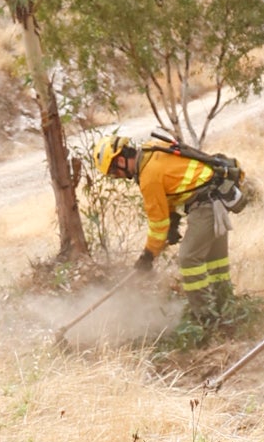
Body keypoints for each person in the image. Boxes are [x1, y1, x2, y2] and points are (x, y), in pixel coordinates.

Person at [94, 131, 244, 330]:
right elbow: (174, 182)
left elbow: (158, 225)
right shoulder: (151, 149)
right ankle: (227, 309)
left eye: (114, 172)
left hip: (206, 205)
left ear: (120, 160)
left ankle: (207, 319)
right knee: (216, 262)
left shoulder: (148, 177)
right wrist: (173, 219)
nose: (118, 177)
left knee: (189, 259)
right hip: (214, 197)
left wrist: (147, 256)